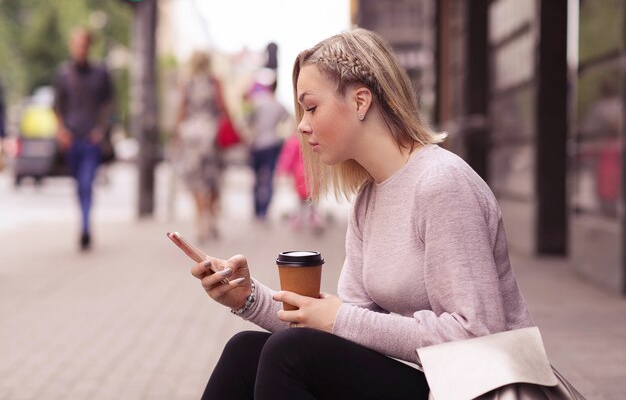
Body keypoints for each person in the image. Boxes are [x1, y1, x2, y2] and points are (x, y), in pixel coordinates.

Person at [188, 28, 533, 400]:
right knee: (245, 351)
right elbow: (346, 325)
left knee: (290, 355)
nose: (302, 125)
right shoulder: (370, 197)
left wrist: (340, 318)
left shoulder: (441, 184)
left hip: (473, 389)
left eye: (312, 106)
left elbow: (476, 334)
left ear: (360, 101)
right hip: (426, 384)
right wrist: (247, 298)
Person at [53, 27, 114, 251]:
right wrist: (61, 131)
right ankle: (83, 220)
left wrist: (100, 130)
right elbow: (58, 106)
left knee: (87, 183)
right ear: (72, 46)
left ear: (89, 46)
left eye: (83, 44)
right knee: (79, 185)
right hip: (71, 140)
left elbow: (109, 105)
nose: (80, 48)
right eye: (76, 44)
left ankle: (86, 226)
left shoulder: (101, 73)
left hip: (91, 141)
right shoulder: (63, 74)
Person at [173, 51, 231, 241]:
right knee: (212, 178)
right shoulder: (214, 82)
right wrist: (232, 128)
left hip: (191, 137)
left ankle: (201, 220)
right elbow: (223, 107)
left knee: (196, 180)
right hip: (211, 135)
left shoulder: (187, 83)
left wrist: (176, 135)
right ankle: (211, 217)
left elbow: (182, 109)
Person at [243, 70, 289, 221]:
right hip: (272, 143)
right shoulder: (278, 105)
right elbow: (286, 119)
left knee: (256, 178)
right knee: (268, 177)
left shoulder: (257, 102)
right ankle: (264, 210)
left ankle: (256, 210)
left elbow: (248, 121)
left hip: (256, 143)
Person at [275, 132, 324, 233]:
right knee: (310, 198)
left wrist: (283, 170)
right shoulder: (314, 139)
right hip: (312, 172)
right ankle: (311, 217)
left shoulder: (294, 140)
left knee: (303, 199)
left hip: (300, 173)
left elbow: (288, 157)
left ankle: (299, 218)